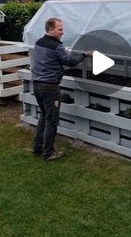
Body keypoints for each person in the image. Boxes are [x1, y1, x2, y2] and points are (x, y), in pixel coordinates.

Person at [31, 17, 92, 161]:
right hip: (50, 88)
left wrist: (64, 51)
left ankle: (37, 147)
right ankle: (48, 153)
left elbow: (52, 57)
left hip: (37, 85)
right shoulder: (56, 46)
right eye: (60, 29)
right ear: (50, 30)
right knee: (51, 120)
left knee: (44, 115)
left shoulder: (39, 42)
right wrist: (84, 54)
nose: (62, 32)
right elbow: (69, 62)